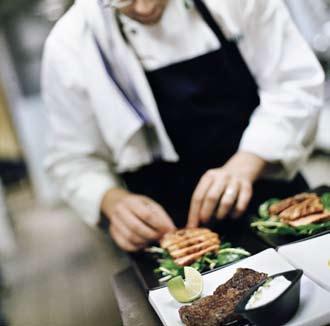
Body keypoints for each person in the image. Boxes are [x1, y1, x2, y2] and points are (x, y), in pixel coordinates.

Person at [42, 0, 324, 252]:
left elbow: (294, 86)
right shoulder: (69, 46)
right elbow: (74, 159)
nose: (143, 8)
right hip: (170, 231)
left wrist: (248, 161)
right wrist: (111, 201)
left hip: (276, 199)